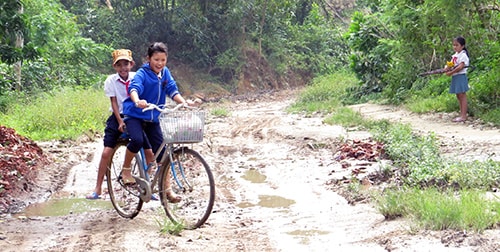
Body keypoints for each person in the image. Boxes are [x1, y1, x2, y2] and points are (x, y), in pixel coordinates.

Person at [122, 42, 197, 203]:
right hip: (136, 114)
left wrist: (183, 102)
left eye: (163, 60)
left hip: (153, 117)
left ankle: (167, 190)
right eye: (156, 59)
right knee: (137, 140)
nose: (160, 63)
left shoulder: (165, 73)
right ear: (148, 58)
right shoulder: (143, 73)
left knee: (163, 155)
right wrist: (137, 100)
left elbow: (172, 89)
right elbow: (134, 88)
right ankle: (126, 169)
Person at [86, 49, 155, 200]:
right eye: (119, 65)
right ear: (115, 67)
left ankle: (147, 186)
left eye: (126, 64)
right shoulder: (111, 80)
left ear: (131, 64)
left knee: (150, 153)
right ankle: (97, 189)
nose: (123, 67)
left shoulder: (136, 76)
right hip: (118, 116)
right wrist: (119, 121)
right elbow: (113, 102)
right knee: (106, 153)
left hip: (135, 116)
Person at [444, 36, 470, 123]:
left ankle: (463, 116)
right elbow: (451, 64)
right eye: (453, 45)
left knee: (462, 96)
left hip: (460, 76)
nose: (455, 47)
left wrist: (451, 73)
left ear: (462, 46)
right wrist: (446, 68)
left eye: (457, 45)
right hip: (456, 77)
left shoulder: (463, 55)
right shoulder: (455, 55)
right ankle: (461, 114)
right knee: (458, 96)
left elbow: (460, 67)